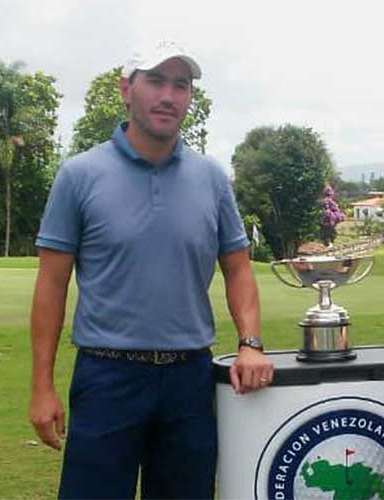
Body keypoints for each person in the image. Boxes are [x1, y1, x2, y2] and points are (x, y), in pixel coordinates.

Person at [28, 40, 274, 499]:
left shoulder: (212, 179)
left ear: (190, 99)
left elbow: (238, 269)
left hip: (189, 380)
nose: (168, 96)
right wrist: (42, 386)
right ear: (126, 89)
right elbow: (52, 283)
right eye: (156, 81)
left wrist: (250, 343)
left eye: (181, 86)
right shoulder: (79, 175)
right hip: (107, 376)